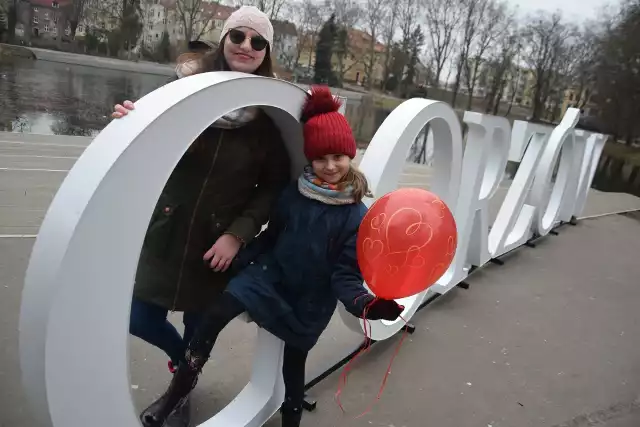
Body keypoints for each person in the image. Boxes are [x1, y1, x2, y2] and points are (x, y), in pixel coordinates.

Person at [138, 86, 405, 427]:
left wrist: (367, 305)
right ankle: (177, 395)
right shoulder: (294, 193)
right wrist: (241, 257)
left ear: (350, 155)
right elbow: (272, 236)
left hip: (309, 299)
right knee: (215, 313)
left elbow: (346, 275)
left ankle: (290, 418)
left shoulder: (356, 216)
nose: (330, 166)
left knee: (293, 365)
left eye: (338, 157)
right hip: (269, 275)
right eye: (321, 158)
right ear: (310, 159)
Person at [111, 6, 290, 427]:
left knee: (198, 327)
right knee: (138, 315)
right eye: (238, 36)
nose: (246, 46)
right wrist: (125, 122)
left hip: (216, 246)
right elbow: (145, 139)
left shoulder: (269, 116)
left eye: (258, 42)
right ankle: (182, 365)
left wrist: (238, 235)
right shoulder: (183, 92)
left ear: (266, 53)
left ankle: (179, 392)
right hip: (167, 230)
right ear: (224, 39)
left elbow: (274, 187)